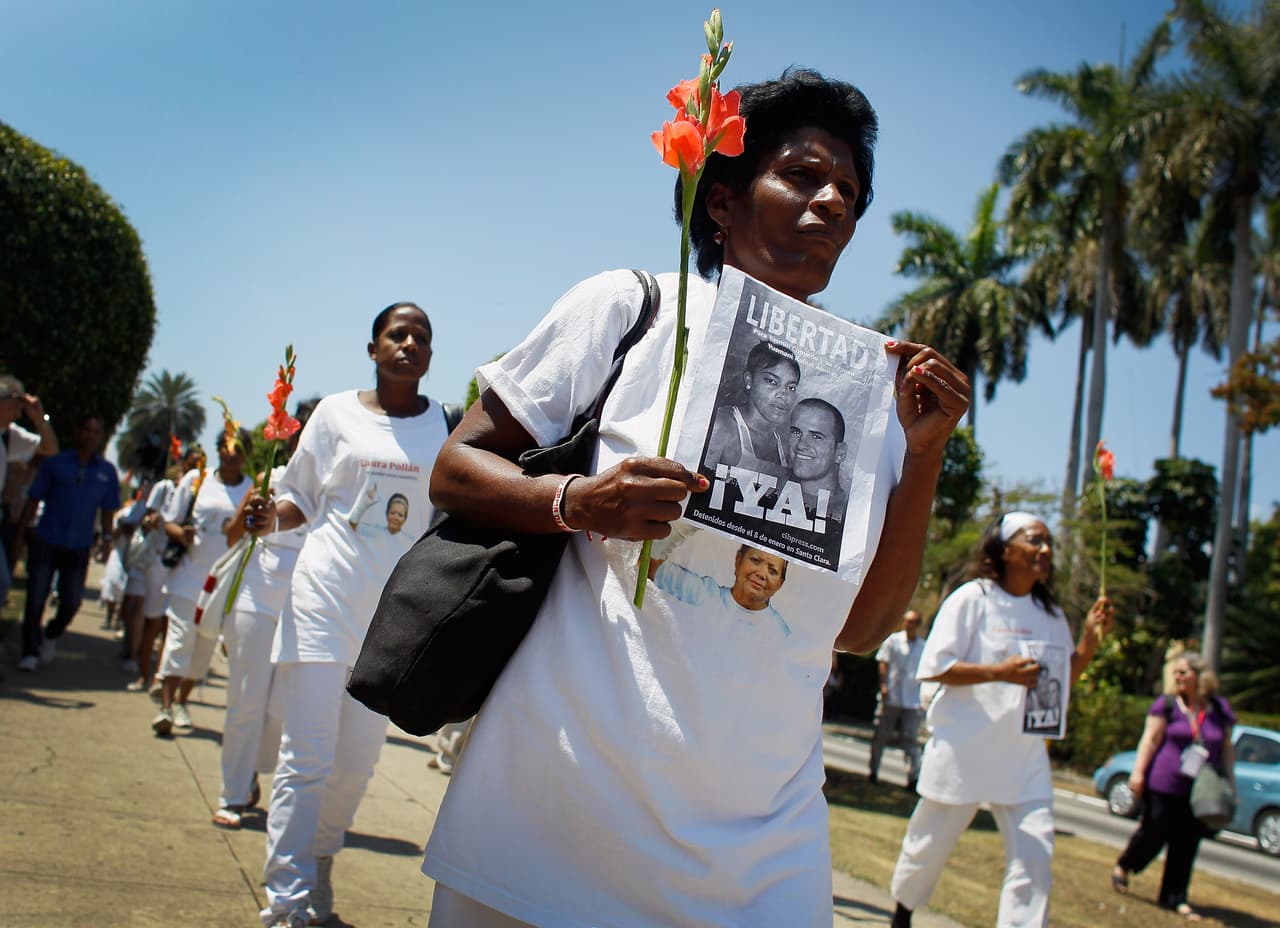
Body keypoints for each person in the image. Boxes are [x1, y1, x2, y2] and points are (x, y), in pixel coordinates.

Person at [420, 68, 970, 928]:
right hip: (556, 805)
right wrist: (581, 501)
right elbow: (456, 469)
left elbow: (861, 631)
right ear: (719, 200)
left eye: (850, 193)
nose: (832, 202)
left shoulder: (869, 399)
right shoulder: (628, 309)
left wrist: (926, 454)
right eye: (802, 175)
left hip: (761, 852)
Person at [244, 302, 449, 928]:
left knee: (357, 766)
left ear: (430, 354)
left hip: (388, 626)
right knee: (307, 759)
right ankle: (286, 901)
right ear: (373, 348)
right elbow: (298, 499)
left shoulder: (443, 425)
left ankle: (321, 860)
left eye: (421, 337)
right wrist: (266, 516)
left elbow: (442, 522)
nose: (409, 343)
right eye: (397, 334)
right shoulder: (333, 413)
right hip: (322, 604)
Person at [888, 512, 1113, 928]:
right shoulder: (973, 599)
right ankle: (902, 912)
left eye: (1049, 544)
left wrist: (1088, 642)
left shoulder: (1050, 615)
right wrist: (1000, 672)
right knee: (927, 848)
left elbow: (1061, 680)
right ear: (1006, 549)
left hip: (1023, 761)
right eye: (1035, 541)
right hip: (963, 752)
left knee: (1034, 861)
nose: (1045, 550)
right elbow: (936, 668)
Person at [211, 399, 316, 829]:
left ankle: (251, 769)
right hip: (257, 594)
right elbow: (232, 537)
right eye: (304, 429)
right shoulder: (269, 477)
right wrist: (251, 511)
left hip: (305, 601)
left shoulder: (339, 488)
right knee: (246, 700)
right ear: (292, 434)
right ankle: (232, 793)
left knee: (277, 710)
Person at [1112, 651, 1236, 920]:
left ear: (1200, 677)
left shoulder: (1219, 710)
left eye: (1184, 672)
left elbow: (1227, 749)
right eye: (1176, 672)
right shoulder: (1167, 705)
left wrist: (1231, 784)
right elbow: (1150, 739)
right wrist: (1138, 773)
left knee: (1187, 843)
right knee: (1154, 829)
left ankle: (1175, 897)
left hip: (1200, 790)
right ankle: (1125, 865)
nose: (1178, 676)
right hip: (1164, 782)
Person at [151, 429, 252, 735]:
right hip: (189, 576)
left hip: (221, 584)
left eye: (237, 449)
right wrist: (180, 534)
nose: (230, 453)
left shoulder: (250, 488)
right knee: (179, 641)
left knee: (203, 648)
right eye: (225, 447)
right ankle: (166, 707)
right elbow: (168, 520)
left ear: (246, 454)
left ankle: (182, 699)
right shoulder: (198, 480)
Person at [17, 414, 119, 672]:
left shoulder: (106, 472)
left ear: (101, 437)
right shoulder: (56, 464)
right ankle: (29, 651)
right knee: (36, 598)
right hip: (48, 539)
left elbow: (108, 510)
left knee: (72, 600)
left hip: (79, 545)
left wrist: (107, 540)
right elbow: (34, 499)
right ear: (78, 432)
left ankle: (51, 633)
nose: (91, 436)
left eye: (96, 432)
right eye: (87, 430)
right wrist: (20, 534)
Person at [703, 339, 801, 477]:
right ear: (749, 380)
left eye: (791, 387)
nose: (783, 395)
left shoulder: (785, 446)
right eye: (772, 381)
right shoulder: (722, 424)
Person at [0, 374, 58, 604]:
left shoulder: (10, 436)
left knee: (2, 584)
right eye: (18, 404)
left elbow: (50, 450)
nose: (20, 412)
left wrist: (40, 419)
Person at [869, 609, 925, 789]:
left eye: (911, 622)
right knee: (881, 735)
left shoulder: (923, 647)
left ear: (917, 625)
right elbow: (883, 662)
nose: (907, 625)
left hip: (911, 699)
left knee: (911, 739)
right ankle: (874, 771)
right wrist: (884, 685)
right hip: (892, 695)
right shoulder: (893, 641)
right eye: (906, 621)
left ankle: (913, 777)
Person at [787, 397, 848, 519]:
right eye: (796, 432)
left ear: (839, 452)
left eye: (816, 436)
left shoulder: (849, 511)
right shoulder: (768, 486)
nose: (800, 445)